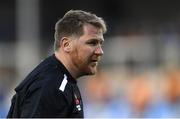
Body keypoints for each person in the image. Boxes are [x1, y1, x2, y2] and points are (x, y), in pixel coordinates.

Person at [7, 10, 107, 118]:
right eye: (92, 43)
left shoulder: (63, 80)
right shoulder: (51, 86)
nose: (100, 51)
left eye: (100, 43)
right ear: (66, 45)